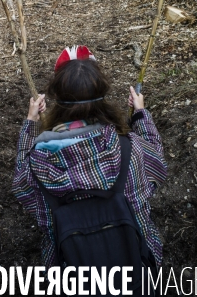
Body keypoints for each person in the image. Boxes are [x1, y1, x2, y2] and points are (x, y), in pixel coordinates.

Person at [12, 46, 167, 272]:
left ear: (57, 99)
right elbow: (157, 166)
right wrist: (140, 115)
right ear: (103, 97)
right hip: (138, 260)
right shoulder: (129, 148)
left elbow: (23, 189)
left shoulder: (37, 162)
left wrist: (30, 123)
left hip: (70, 268)